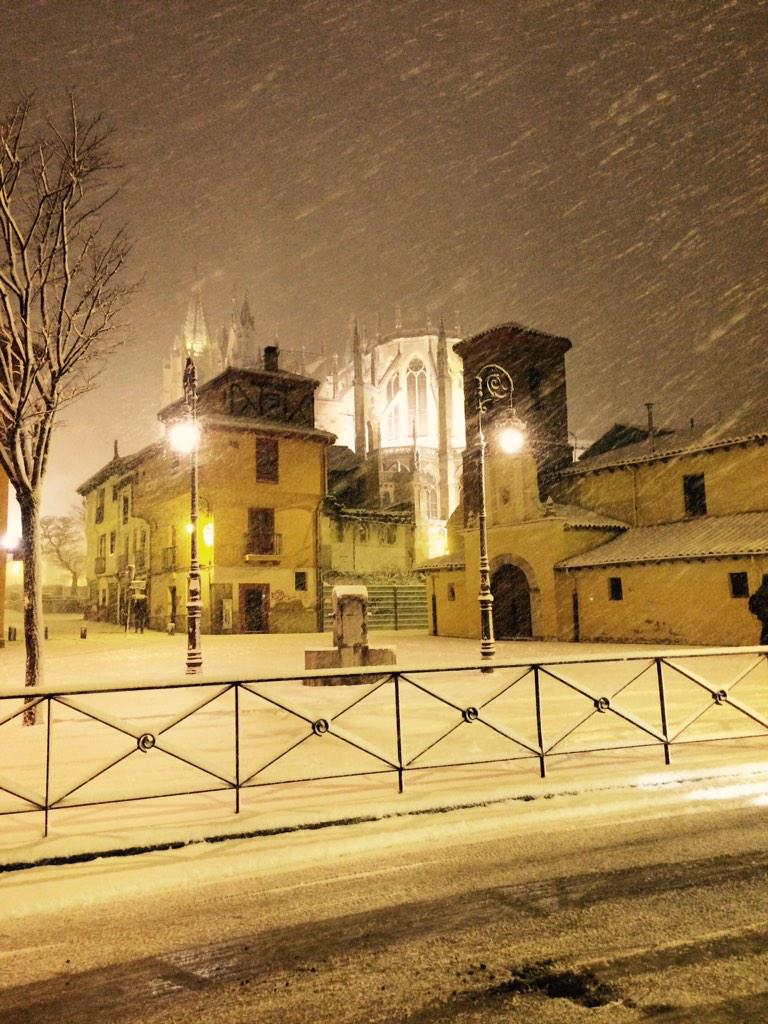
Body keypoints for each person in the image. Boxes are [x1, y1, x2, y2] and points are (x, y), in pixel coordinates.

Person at [748, 578, 768, 644]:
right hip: (765, 615)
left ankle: (764, 645)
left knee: (765, 630)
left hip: (764, 616)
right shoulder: (764, 591)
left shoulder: (761, 590)